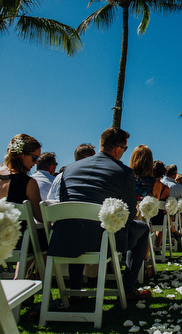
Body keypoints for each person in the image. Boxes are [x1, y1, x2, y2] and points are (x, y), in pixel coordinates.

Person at [46, 128, 151, 301]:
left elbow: (65, 203)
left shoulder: (69, 169)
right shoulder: (124, 172)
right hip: (102, 240)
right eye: (125, 149)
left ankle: (75, 291)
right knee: (142, 229)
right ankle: (126, 289)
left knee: (76, 225)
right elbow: (129, 214)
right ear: (117, 149)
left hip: (64, 238)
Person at [0, 134, 43, 221]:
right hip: (14, 233)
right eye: (34, 158)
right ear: (21, 155)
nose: (36, 163)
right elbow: (41, 217)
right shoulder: (28, 183)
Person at [161, 165, 182, 244]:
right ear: (175, 174)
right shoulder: (178, 187)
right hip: (174, 217)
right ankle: (181, 239)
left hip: (158, 217)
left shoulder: (159, 183)